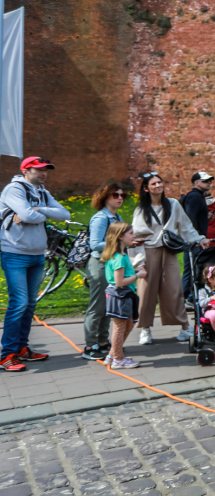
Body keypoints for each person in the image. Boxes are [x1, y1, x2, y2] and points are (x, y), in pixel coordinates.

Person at [0, 157, 70, 371]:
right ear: (25, 170)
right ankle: (6, 355)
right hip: (15, 254)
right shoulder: (14, 189)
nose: (43, 173)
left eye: (46, 170)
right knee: (19, 303)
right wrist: (37, 212)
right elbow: (26, 215)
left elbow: (64, 214)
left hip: (38, 255)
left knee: (30, 304)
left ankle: (21, 348)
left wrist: (38, 210)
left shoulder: (42, 192)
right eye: (38, 170)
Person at [131, 173, 207, 345]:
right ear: (146, 188)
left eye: (159, 182)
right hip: (149, 251)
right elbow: (136, 237)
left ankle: (184, 326)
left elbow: (186, 226)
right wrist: (138, 263)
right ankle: (145, 329)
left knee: (174, 289)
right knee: (146, 292)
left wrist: (199, 239)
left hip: (169, 251)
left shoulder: (173, 204)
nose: (158, 186)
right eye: (153, 184)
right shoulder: (141, 210)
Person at [82, 182, 127, 361]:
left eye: (122, 195)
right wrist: (120, 243)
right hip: (99, 264)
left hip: (110, 264)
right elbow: (95, 244)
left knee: (108, 305)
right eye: (115, 195)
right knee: (97, 306)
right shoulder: (101, 218)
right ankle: (89, 346)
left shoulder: (116, 216)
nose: (120, 198)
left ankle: (102, 341)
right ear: (105, 197)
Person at [102, 221, 145, 369]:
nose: (134, 236)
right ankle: (118, 360)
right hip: (120, 295)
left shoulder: (122, 255)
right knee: (119, 327)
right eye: (131, 233)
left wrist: (135, 271)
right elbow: (119, 282)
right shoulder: (119, 258)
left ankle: (112, 355)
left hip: (125, 295)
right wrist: (138, 275)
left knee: (130, 322)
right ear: (120, 236)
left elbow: (123, 274)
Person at [180, 171, 215, 302]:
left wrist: (205, 217)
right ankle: (186, 297)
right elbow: (189, 219)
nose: (209, 183)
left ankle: (187, 296)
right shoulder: (194, 197)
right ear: (196, 182)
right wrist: (196, 239)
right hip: (194, 241)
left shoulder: (198, 196)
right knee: (192, 269)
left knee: (193, 268)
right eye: (205, 181)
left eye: (209, 181)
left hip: (197, 239)